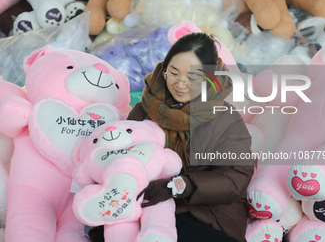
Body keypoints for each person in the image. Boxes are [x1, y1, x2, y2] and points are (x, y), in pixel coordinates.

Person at [89, 32, 254, 242]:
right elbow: (123, 158)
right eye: (174, 72)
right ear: (164, 68)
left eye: (192, 77)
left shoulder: (226, 119)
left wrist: (179, 185)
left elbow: (235, 177)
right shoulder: (144, 110)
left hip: (207, 210)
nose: (180, 83)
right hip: (147, 204)